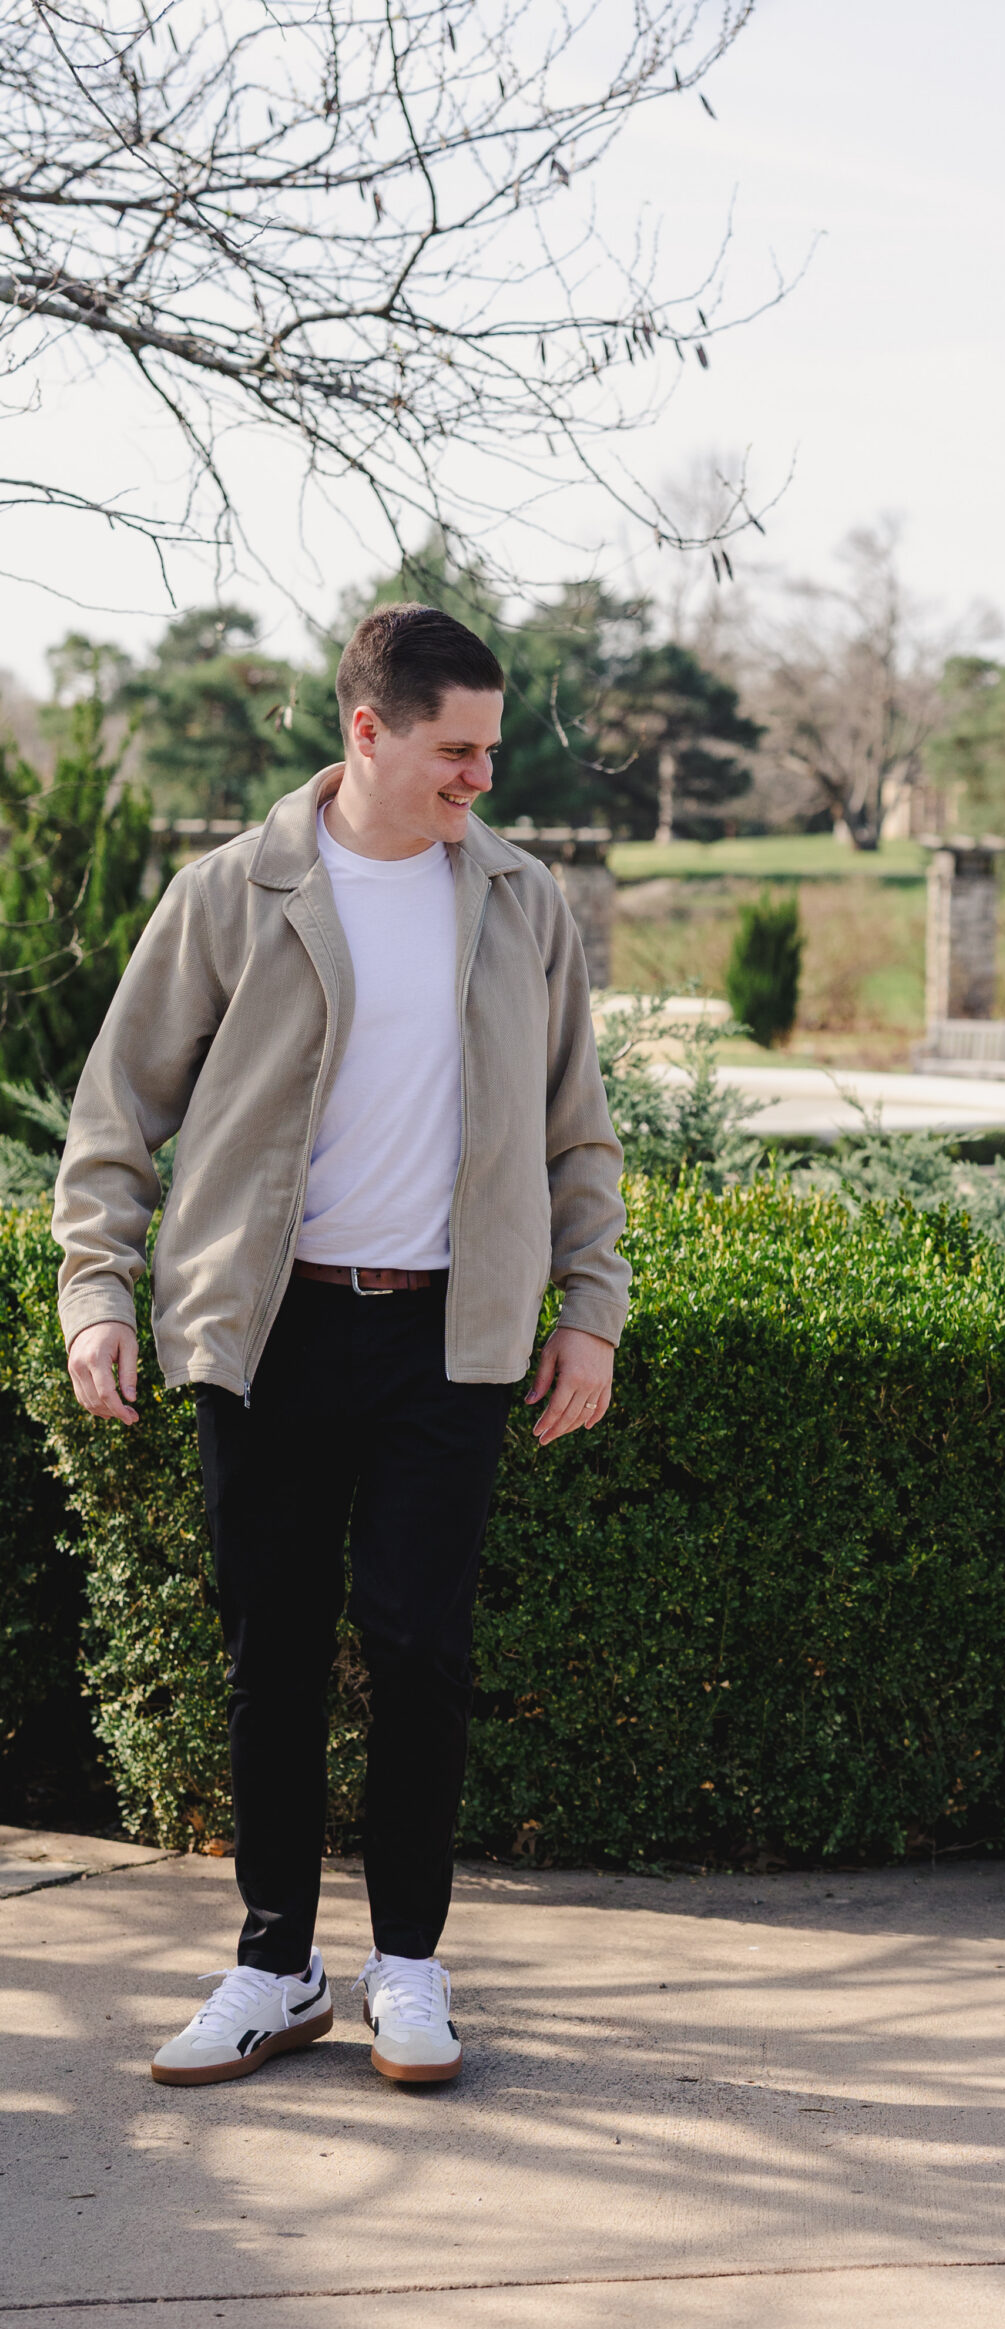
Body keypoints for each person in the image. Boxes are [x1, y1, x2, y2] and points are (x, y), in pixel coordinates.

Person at [53, 605, 629, 2090]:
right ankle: (272, 1968)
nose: (480, 780)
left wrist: (591, 1312)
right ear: (365, 730)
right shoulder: (232, 893)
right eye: (456, 750)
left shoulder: (518, 901)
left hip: (452, 1335)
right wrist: (98, 1295)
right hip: (273, 1331)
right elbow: (117, 1120)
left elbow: (578, 1135)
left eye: (491, 750)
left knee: (424, 1650)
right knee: (274, 1656)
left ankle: (410, 1971)